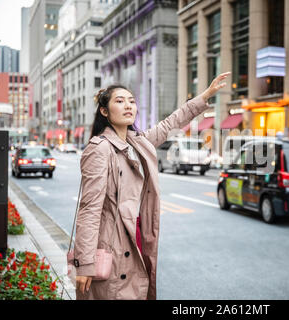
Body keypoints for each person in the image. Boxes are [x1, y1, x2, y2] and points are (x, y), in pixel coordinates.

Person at [74, 72, 231, 300]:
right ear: (104, 111)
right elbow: (89, 209)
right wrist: (85, 262)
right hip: (113, 243)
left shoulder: (138, 142)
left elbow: (170, 123)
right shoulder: (100, 149)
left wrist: (205, 95)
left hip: (137, 235)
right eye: (119, 101)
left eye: (131, 101)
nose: (128, 106)